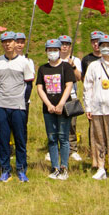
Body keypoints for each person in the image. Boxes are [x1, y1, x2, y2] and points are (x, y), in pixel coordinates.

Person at [0, 31, 35, 182]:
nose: (7, 44)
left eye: (10, 41)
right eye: (4, 42)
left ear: (16, 43)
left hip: (18, 107)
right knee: (3, 140)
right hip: (1, 106)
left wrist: (23, 100)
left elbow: (29, 84)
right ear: (2, 44)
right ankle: (5, 170)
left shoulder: (24, 62)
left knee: (20, 140)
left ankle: (21, 170)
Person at [82, 34, 109, 182]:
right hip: (96, 108)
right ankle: (101, 167)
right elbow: (87, 87)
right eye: (103, 45)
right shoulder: (93, 66)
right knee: (98, 139)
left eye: (108, 46)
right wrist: (88, 106)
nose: (105, 48)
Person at [37, 38, 75, 180]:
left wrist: (60, 104)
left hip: (63, 108)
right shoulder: (43, 68)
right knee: (52, 138)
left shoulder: (66, 67)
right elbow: (40, 88)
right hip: (48, 109)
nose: (52, 52)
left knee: (63, 137)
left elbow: (69, 86)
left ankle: (64, 167)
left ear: (59, 51)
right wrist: (48, 104)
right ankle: (55, 167)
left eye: (54, 50)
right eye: (49, 50)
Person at [59, 34, 84, 163]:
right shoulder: (54, 59)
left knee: (72, 125)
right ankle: (57, 148)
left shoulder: (76, 60)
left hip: (71, 96)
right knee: (57, 124)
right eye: (62, 44)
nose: (64, 46)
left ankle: (73, 149)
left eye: (67, 44)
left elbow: (79, 78)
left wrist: (72, 66)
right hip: (57, 96)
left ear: (69, 47)